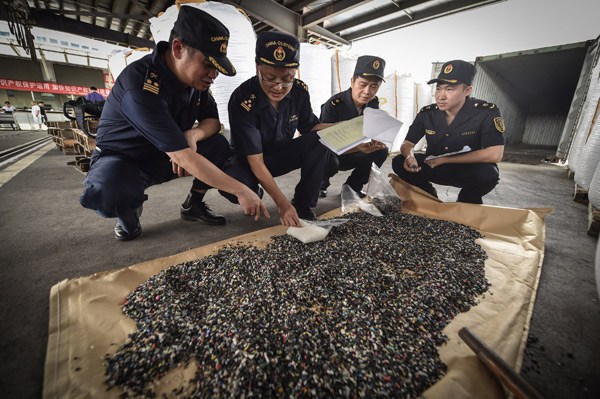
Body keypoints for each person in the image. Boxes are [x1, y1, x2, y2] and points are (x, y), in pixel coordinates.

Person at [80, 6, 268, 241]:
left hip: (170, 156)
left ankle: (193, 206)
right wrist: (241, 191)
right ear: (178, 48)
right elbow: (184, 157)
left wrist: (194, 134)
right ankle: (127, 217)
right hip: (126, 161)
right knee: (111, 190)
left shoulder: (195, 84)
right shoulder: (141, 84)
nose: (213, 74)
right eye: (208, 64)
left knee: (217, 145)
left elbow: (213, 123)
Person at [221, 31, 331, 227]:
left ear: (296, 71)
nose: (278, 87)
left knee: (320, 139)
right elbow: (255, 161)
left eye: (287, 78)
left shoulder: (299, 92)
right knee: (241, 186)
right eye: (270, 78)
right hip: (247, 162)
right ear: (257, 68)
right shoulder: (243, 99)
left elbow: (311, 127)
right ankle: (254, 189)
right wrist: (282, 204)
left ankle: (303, 204)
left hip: (278, 156)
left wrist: (350, 129)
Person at [391, 60, 505, 204]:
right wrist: (409, 156)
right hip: (434, 165)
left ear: (467, 91)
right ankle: (428, 194)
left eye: (449, 89)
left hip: (466, 170)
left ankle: (466, 200)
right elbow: (407, 144)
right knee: (399, 162)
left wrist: (445, 159)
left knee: (488, 174)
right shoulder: (428, 113)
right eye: (438, 89)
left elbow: (494, 154)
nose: (441, 95)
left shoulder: (486, 112)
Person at [319, 55, 389, 198]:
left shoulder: (373, 103)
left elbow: (373, 128)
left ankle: (352, 187)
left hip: (356, 150)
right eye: (362, 84)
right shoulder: (333, 105)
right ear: (352, 82)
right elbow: (326, 143)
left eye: (374, 86)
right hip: (333, 153)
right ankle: (320, 183)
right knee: (326, 157)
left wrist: (377, 140)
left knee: (382, 151)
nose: (367, 91)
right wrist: (358, 148)